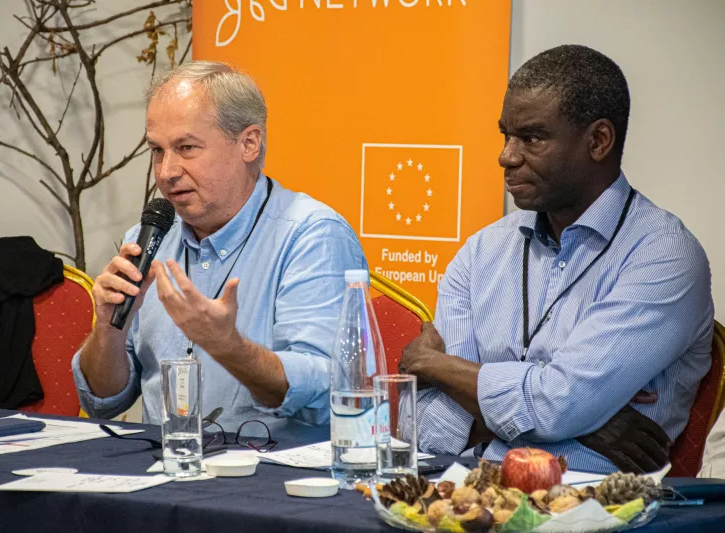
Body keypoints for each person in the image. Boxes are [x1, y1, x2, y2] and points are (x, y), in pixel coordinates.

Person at [399, 45, 714, 474]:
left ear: (598, 141)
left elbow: (556, 406)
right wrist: (583, 424)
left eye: (531, 137)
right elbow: (425, 427)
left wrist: (434, 366)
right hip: (464, 494)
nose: (506, 156)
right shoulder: (480, 253)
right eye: (504, 135)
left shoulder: (664, 256)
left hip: (595, 509)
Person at [72, 61, 366, 432]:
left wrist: (229, 347)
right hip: (163, 472)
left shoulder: (312, 236)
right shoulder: (146, 240)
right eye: (158, 151)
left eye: (186, 148)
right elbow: (103, 400)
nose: (166, 172)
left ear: (249, 143)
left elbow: (330, 392)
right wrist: (109, 330)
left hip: (275, 477)